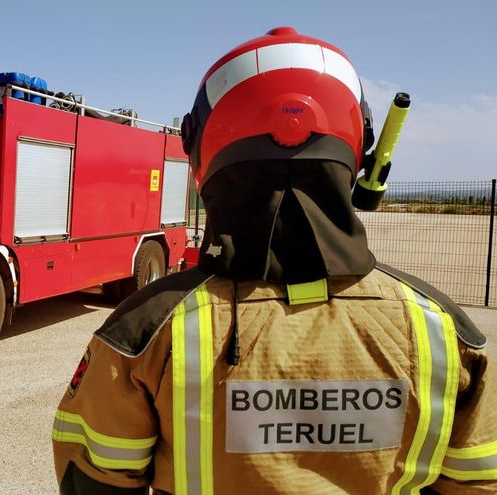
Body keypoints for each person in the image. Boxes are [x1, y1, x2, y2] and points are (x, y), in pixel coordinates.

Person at [51, 27, 496, 495]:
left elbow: (91, 481)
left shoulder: (144, 330)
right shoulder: (443, 332)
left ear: (202, 148)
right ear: (360, 149)